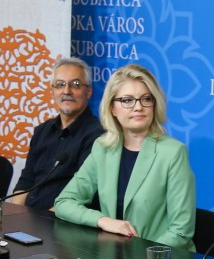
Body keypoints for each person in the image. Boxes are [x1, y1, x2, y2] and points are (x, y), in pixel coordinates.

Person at [52, 64, 195, 247]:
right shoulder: (103, 148)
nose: (138, 107)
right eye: (127, 100)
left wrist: (142, 257)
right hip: (112, 254)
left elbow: (181, 232)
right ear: (112, 108)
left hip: (157, 258)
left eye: (146, 99)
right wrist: (103, 220)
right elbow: (64, 202)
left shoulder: (173, 153)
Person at [8, 57, 101, 209]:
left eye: (75, 85)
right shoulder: (41, 131)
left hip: (61, 219)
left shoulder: (98, 135)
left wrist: (42, 220)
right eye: (60, 85)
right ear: (52, 91)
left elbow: (81, 195)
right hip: (29, 216)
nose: (66, 91)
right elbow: (26, 182)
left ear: (88, 91)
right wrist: (17, 214)